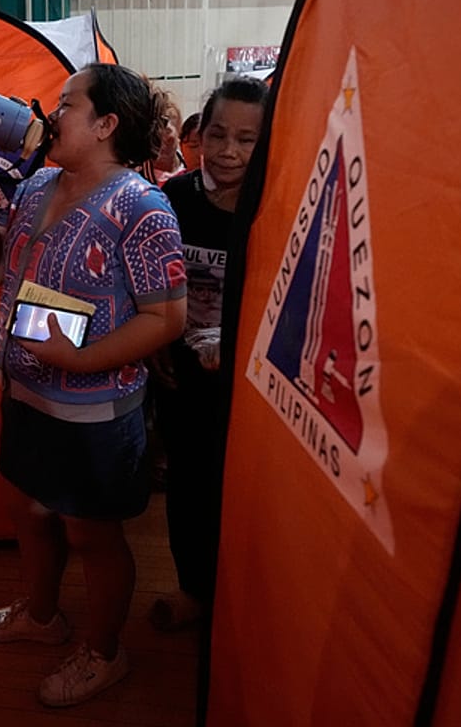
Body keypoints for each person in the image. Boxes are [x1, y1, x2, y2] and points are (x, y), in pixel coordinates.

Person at [0, 63, 188, 708]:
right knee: (27, 509)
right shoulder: (41, 183)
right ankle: (43, 617)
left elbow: (168, 317)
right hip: (24, 392)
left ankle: (106, 653)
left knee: (92, 535)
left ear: (106, 124)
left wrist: (83, 361)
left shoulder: (142, 207)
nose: (52, 114)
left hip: (94, 411)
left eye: (66, 104)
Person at [148, 75, 269, 633]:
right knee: (190, 489)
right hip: (183, 380)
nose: (228, 151)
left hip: (252, 385)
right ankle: (194, 591)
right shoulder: (169, 200)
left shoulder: (275, 207)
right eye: (218, 133)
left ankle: (247, 605)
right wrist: (154, 346)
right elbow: (143, 286)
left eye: (247, 140)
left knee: (247, 494)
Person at [145, 88, 185, 185]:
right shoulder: (136, 181)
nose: (161, 141)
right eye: (153, 135)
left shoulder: (193, 168)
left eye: (167, 131)